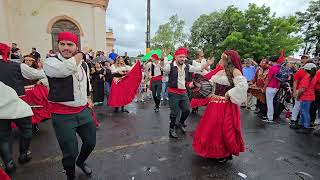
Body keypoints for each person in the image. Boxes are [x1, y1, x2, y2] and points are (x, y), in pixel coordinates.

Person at [43, 31, 96, 180]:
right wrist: (82, 53)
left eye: (70, 44)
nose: (66, 47)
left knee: (91, 143)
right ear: (58, 45)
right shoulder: (50, 62)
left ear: (75, 45)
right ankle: (70, 175)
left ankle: (81, 162)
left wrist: (88, 98)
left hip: (83, 111)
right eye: (62, 44)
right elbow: (65, 69)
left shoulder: (83, 64)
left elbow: (86, 83)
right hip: (62, 115)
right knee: (70, 152)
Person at [192, 50, 248, 162]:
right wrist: (197, 85)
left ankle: (223, 153)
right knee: (211, 128)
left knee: (222, 130)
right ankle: (214, 152)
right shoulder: (220, 72)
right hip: (214, 104)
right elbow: (211, 83)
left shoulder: (235, 71)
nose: (220, 60)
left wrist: (229, 93)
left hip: (226, 105)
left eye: (222, 58)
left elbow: (242, 86)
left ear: (228, 60)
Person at [0, 43, 46, 175]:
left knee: (3, 136)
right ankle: (23, 154)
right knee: (26, 130)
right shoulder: (17, 65)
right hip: (17, 103)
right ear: (8, 53)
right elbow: (39, 75)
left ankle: (9, 164)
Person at [160, 47, 213, 138]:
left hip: (183, 92)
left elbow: (198, 68)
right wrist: (162, 59)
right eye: (180, 57)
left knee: (187, 110)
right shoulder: (170, 66)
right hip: (173, 92)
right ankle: (171, 129)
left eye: (184, 57)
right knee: (175, 112)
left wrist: (208, 63)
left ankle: (180, 123)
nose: (183, 59)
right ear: (176, 57)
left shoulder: (187, 66)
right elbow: (164, 69)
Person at [295, 63, 317, 134]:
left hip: (306, 97)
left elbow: (302, 89)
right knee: (304, 111)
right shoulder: (313, 77)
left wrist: (298, 96)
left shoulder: (307, 78)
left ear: (305, 69)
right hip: (309, 96)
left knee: (305, 112)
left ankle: (306, 127)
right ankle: (302, 124)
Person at [290, 55, 310, 128]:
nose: (304, 60)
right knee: (297, 106)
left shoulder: (313, 71)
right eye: (303, 58)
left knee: (304, 109)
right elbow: (295, 81)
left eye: (306, 58)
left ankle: (302, 123)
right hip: (300, 90)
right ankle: (293, 120)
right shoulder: (300, 71)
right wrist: (295, 91)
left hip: (308, 92)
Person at [262, 56, 281, 122]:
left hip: (270, 87)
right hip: (277, 87)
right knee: (272, 102)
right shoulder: (280, 67)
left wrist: (264, 88)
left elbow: (268, 79)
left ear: (271, 61)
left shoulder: (272, 68)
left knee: (269, 103)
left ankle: (269, 118)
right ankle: (270, 116)